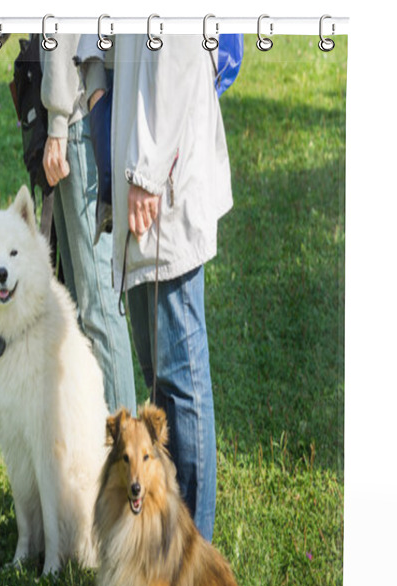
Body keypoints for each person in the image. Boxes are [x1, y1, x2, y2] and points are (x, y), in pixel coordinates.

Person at [79, 35, 232, 542]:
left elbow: (182, 48)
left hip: (162, 178)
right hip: (135, 173)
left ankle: (195, 557)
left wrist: (146, 169)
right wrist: (97, 84)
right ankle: (168, 550)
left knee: (180, 387)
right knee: (160, 382)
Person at [40, 36, 136, 415]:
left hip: (78, 116)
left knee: (98, 306)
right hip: (78, 108)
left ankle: (126, 454)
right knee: (82, 303)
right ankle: (100, 442)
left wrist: (58, 123)